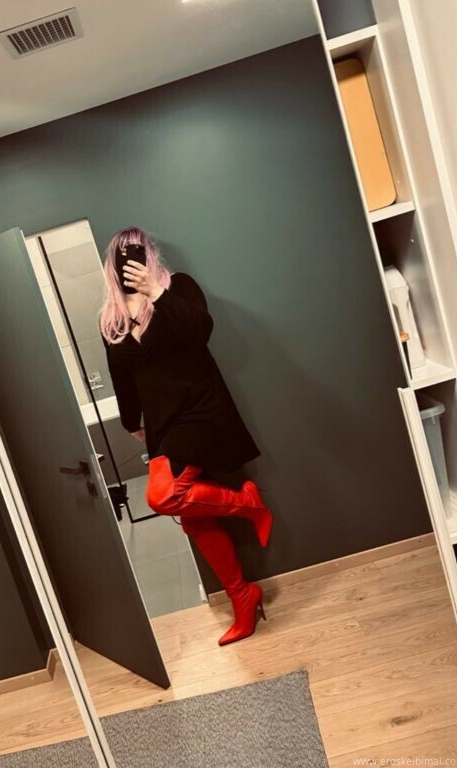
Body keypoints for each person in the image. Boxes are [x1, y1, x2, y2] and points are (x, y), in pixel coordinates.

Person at [99, 226, 273, 646]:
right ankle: (242, 596)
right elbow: (122, 377)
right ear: (112, 263)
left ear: (149, 253)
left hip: (201, 411)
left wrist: (156, 293)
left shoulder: (178, 288)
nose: (129, 259)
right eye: (121, 253)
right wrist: (131, 423)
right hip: (162, 425)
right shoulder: (112, 317)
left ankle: (248, 504)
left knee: (162, 497)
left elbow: (200, 332)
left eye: (135, 251)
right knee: (194, 519)